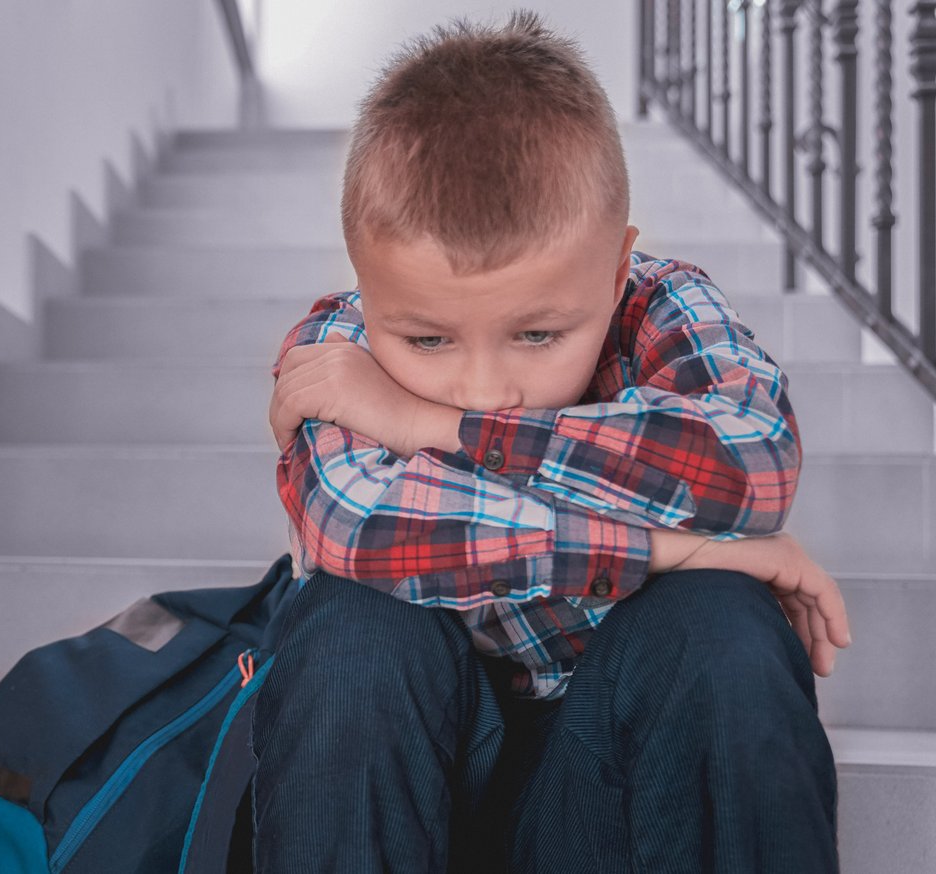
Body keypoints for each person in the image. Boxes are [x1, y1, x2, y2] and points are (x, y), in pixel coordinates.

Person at [251, 10, 852, 873]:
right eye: (426, 341)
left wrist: (435, 427)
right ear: (368, 286)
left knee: (726, 626)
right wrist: (678, 549)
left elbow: (749, 459)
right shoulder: (335, 348)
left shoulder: (659, 305)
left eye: (537, 336)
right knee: (351, 628)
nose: (488, 388)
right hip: (407, 778)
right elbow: (353, 524)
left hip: (609, 773)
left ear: (615, 273)